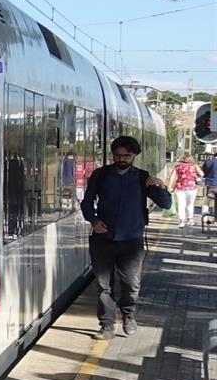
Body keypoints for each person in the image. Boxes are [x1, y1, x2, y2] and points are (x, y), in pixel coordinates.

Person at [79, 135, 170, 339]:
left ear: (134, 155)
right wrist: (93, 220)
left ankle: (128, 314)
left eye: (127, 155)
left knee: (131, 284)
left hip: (131, 241)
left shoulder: (142, 177)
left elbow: (165, 204)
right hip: (103, 240)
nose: (121, 159)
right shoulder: (101, 175)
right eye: (118, 155)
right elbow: (87, 202)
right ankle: (107, 325)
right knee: (104, 285)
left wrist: (161, 187)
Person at [171, 154, 202, 228]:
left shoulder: (178, 166)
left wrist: (170, 186)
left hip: (180, 188)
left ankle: (182, 221)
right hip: (191, 188)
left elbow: (172, 177)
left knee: (181, 204)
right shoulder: (194, 166)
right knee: (190, 204)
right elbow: (201, 174)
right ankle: (190, 220)